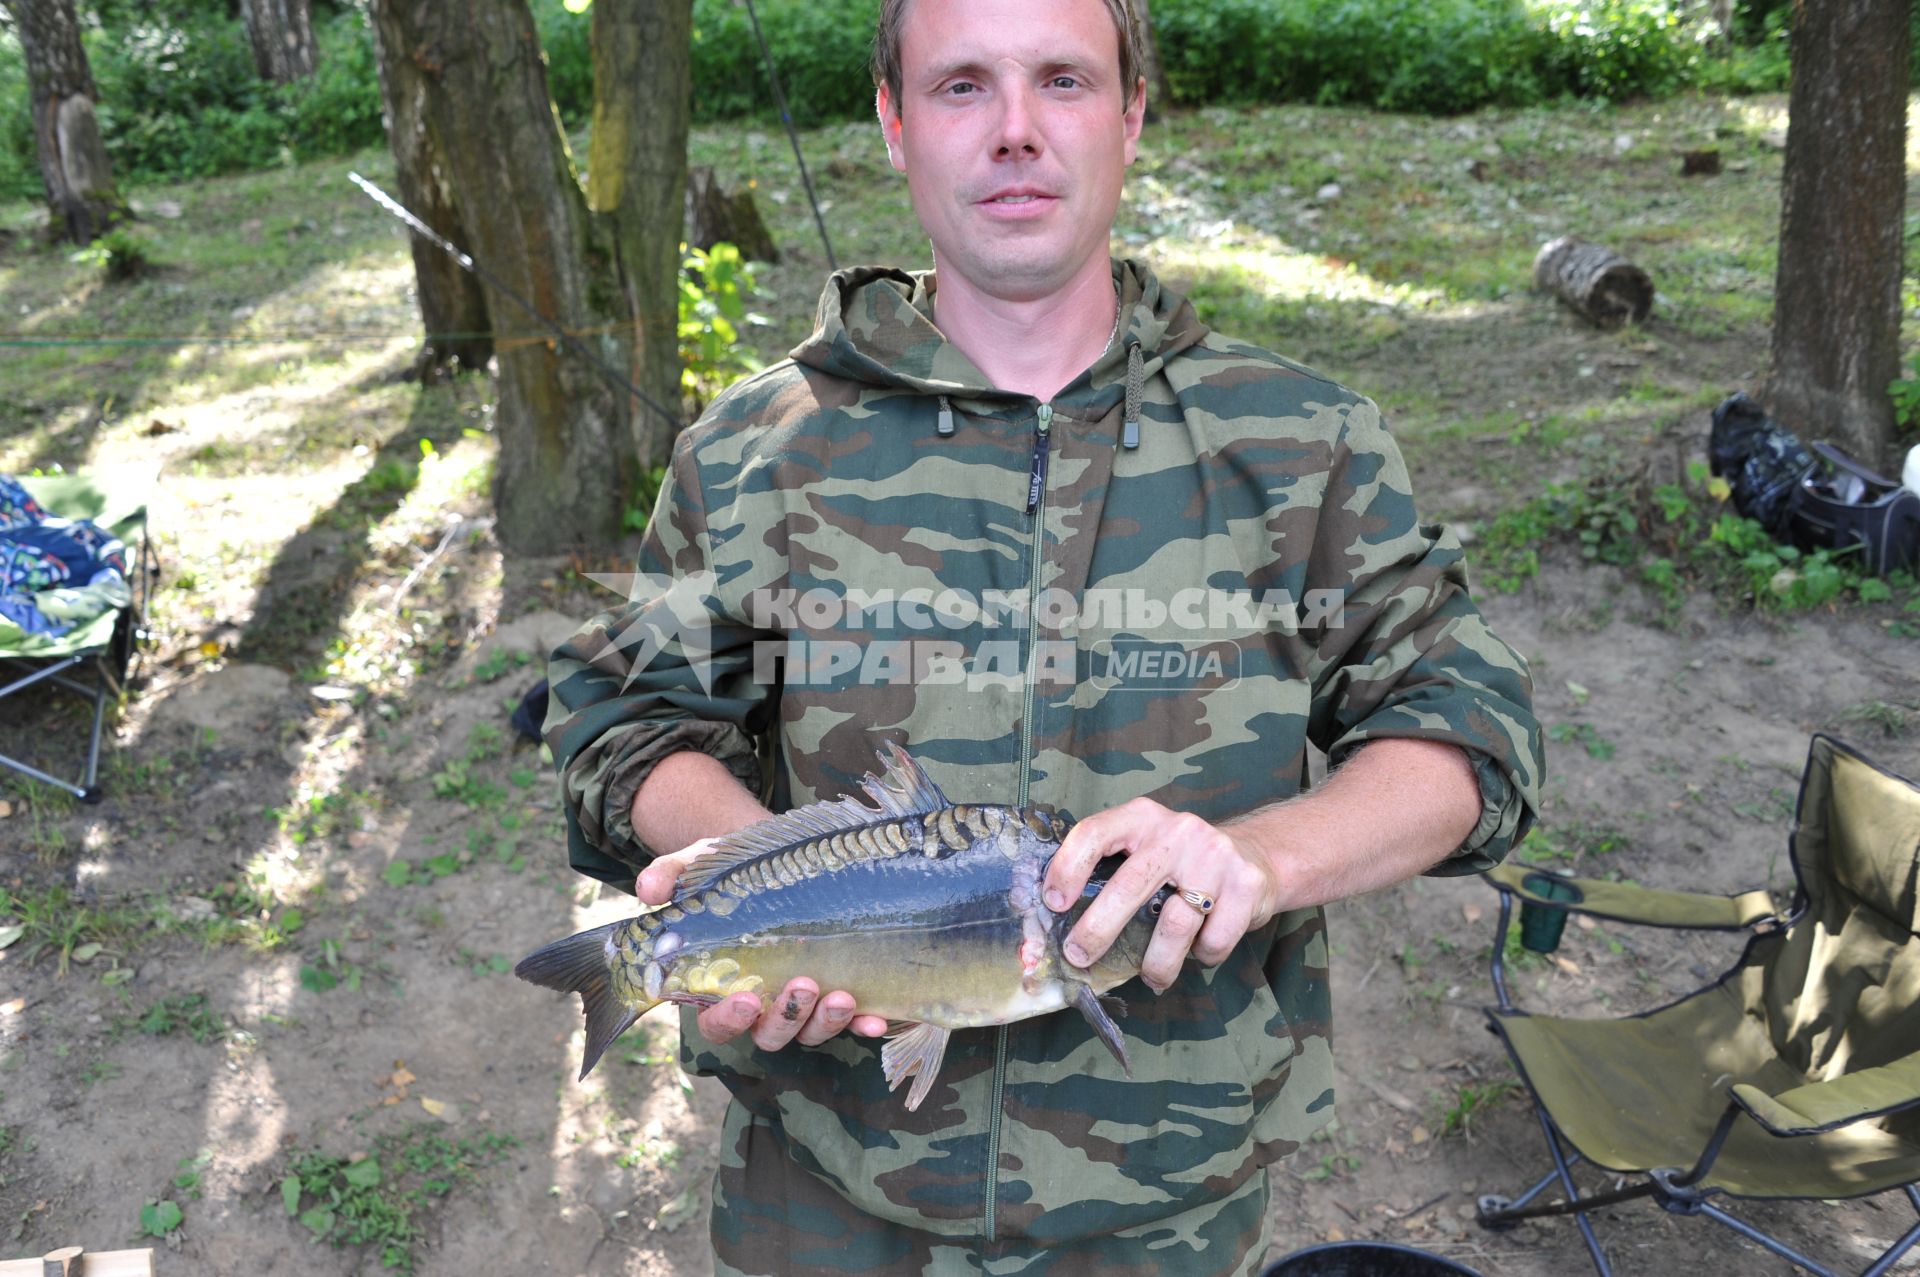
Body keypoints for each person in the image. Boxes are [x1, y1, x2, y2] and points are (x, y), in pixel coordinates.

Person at [545, 0, 1544, 1271]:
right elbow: (623, 722)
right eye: (962, 85)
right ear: (895, 126)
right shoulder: (758, 449)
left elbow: (1475, 731)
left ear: (1131, 112)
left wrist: (1260, 862)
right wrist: (783, 879)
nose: (1015, 130)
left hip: (1165, 1206)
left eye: (1061, 80)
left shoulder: (1303, 442)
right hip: (825, 1193)